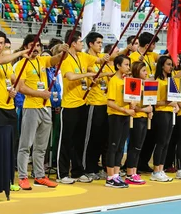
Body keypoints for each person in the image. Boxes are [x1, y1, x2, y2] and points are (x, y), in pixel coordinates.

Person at [15, 35, 66, 190]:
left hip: (46, 107)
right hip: (31, 107)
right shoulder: (21, 65)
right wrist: (40, 94)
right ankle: (23, 177)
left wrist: (63, 51)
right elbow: (21, 88)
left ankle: (39, 176)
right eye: (32, 45)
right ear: (25, 47)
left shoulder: (42, 61)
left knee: (41, 146)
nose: (35, 48)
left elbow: (56, 59)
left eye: (38, 45)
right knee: (26, 145)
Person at [0, 30, 30, 191]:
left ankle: (8, 180)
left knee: (10, 146)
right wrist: (22, 52)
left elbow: (14, 81)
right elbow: (0, 60)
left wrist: (14, 90)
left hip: (9, 108)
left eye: (1, 43)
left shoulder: (8, 66)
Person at [57, 29, 108, 184]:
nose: (82, 44)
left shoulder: (82, 56)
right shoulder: (65, 59)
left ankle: (77, 171)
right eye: (80, 41)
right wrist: (87, 75)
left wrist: (107, 57)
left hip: (82, 104)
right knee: (66, 141)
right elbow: (71, 76)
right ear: (73, 43)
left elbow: (99, 61)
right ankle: (62, 173)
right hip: (69, 105)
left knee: (78, 141)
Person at [83, 32, 115, 181]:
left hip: (105, 103)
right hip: (93, 103)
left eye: (102, 43)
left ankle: (98, 167)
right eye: (98, 43)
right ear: (90, 44)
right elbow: (92, 73)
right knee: (92, 138)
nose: (100, 45)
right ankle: (88, 168)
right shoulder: (87, 59)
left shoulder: (103, 60)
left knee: (103, 139)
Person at [105, 55, 135, 188]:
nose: (128, 67)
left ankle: (116, 175)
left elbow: (130, 99)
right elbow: (110, 102)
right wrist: (124, 110)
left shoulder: (127, 81)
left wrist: (132, 104)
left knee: (121, 146)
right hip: (116, 116)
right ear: (118, 66)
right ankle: (110, 177)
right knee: (113, 146)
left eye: (129, 65)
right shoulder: (114, 81)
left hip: (125, 116)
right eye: (126, 64)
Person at [123, 62, 151, 185]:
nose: (146, 73)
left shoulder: (146, 86)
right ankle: (129, 173)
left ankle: (134, 171)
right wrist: (145, 109)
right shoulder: (132, 84)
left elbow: (148, 103)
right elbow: (134, 106)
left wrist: (150, 110)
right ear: (137, 71)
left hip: (144, 118)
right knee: (134, 146)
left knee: (139, 146)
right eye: (144, 71)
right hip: (136, 119)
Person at [151, 55, 178, 182]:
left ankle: (161, 169)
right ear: (162, 65)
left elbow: (174, 99)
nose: (170, 67)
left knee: (167, 143)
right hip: (160, 114)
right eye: (168, 64)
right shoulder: (156, 81)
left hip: (170, 114)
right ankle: (156, 170)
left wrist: (175, 104)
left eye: (171, 64)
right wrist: (168, 103)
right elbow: (155, 102)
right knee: (161, 142)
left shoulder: (171, 81)